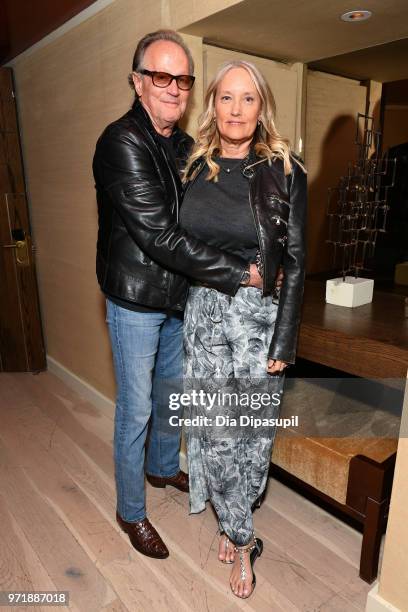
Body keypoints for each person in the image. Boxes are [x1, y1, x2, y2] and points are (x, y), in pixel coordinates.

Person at [92, 31, 265, 560]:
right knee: (138, 408)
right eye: (160, 76)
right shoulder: (120, 142)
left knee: (171, 399)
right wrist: (242, 272)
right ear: (138, 81)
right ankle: (130, 510)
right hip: (136, 298)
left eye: (182, 79)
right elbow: (161, 235)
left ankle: (163, 469)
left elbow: (219, 207)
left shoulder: (186, 146)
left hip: (178, 299)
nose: (173, 88)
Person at [180, 60, 307, 598]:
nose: (236, 110)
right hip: (203, 315)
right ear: (212, 104)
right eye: (226, 98)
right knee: (215, 431)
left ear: (262, 106)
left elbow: (297, 259)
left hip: (258, 320)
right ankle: (241, 533)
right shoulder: (194, 165)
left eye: (248, 99)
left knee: (252, 437)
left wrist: (284, 340)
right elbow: (177, 245)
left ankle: (237, 517)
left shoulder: (285, 167)